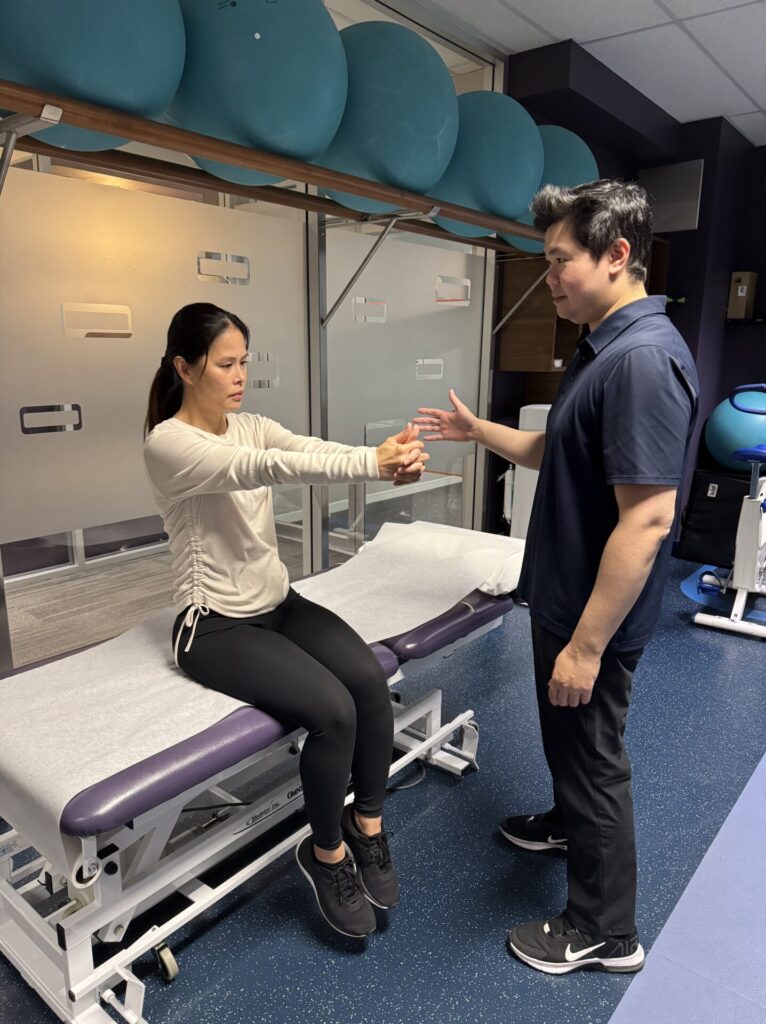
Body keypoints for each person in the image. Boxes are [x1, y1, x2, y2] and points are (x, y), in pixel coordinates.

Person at [415, 180, 699, 974]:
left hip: (591, 616)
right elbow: (557, 449)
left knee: (594, 757)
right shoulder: (601, 344)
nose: (549, 278)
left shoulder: (641, 362)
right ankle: (571, 825)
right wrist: (478, 430)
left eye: (559, 260)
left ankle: (606, 931)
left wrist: (586, 646)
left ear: (616, 255)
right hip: (568, 599)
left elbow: (647, 520)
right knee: (572, 747)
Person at [143, 302, 428, 940]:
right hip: (213, 626)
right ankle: (325, 855)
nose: (240, 375)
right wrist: (373, 464)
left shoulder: (252, 425)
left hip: (278, 605)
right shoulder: (169, 444)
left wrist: (380, 456)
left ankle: (367, 826)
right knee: (333, 713)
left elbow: (304, 449)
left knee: (369, 684)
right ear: (184, 368)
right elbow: (263, 467)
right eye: (225, 364)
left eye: (244, 361)